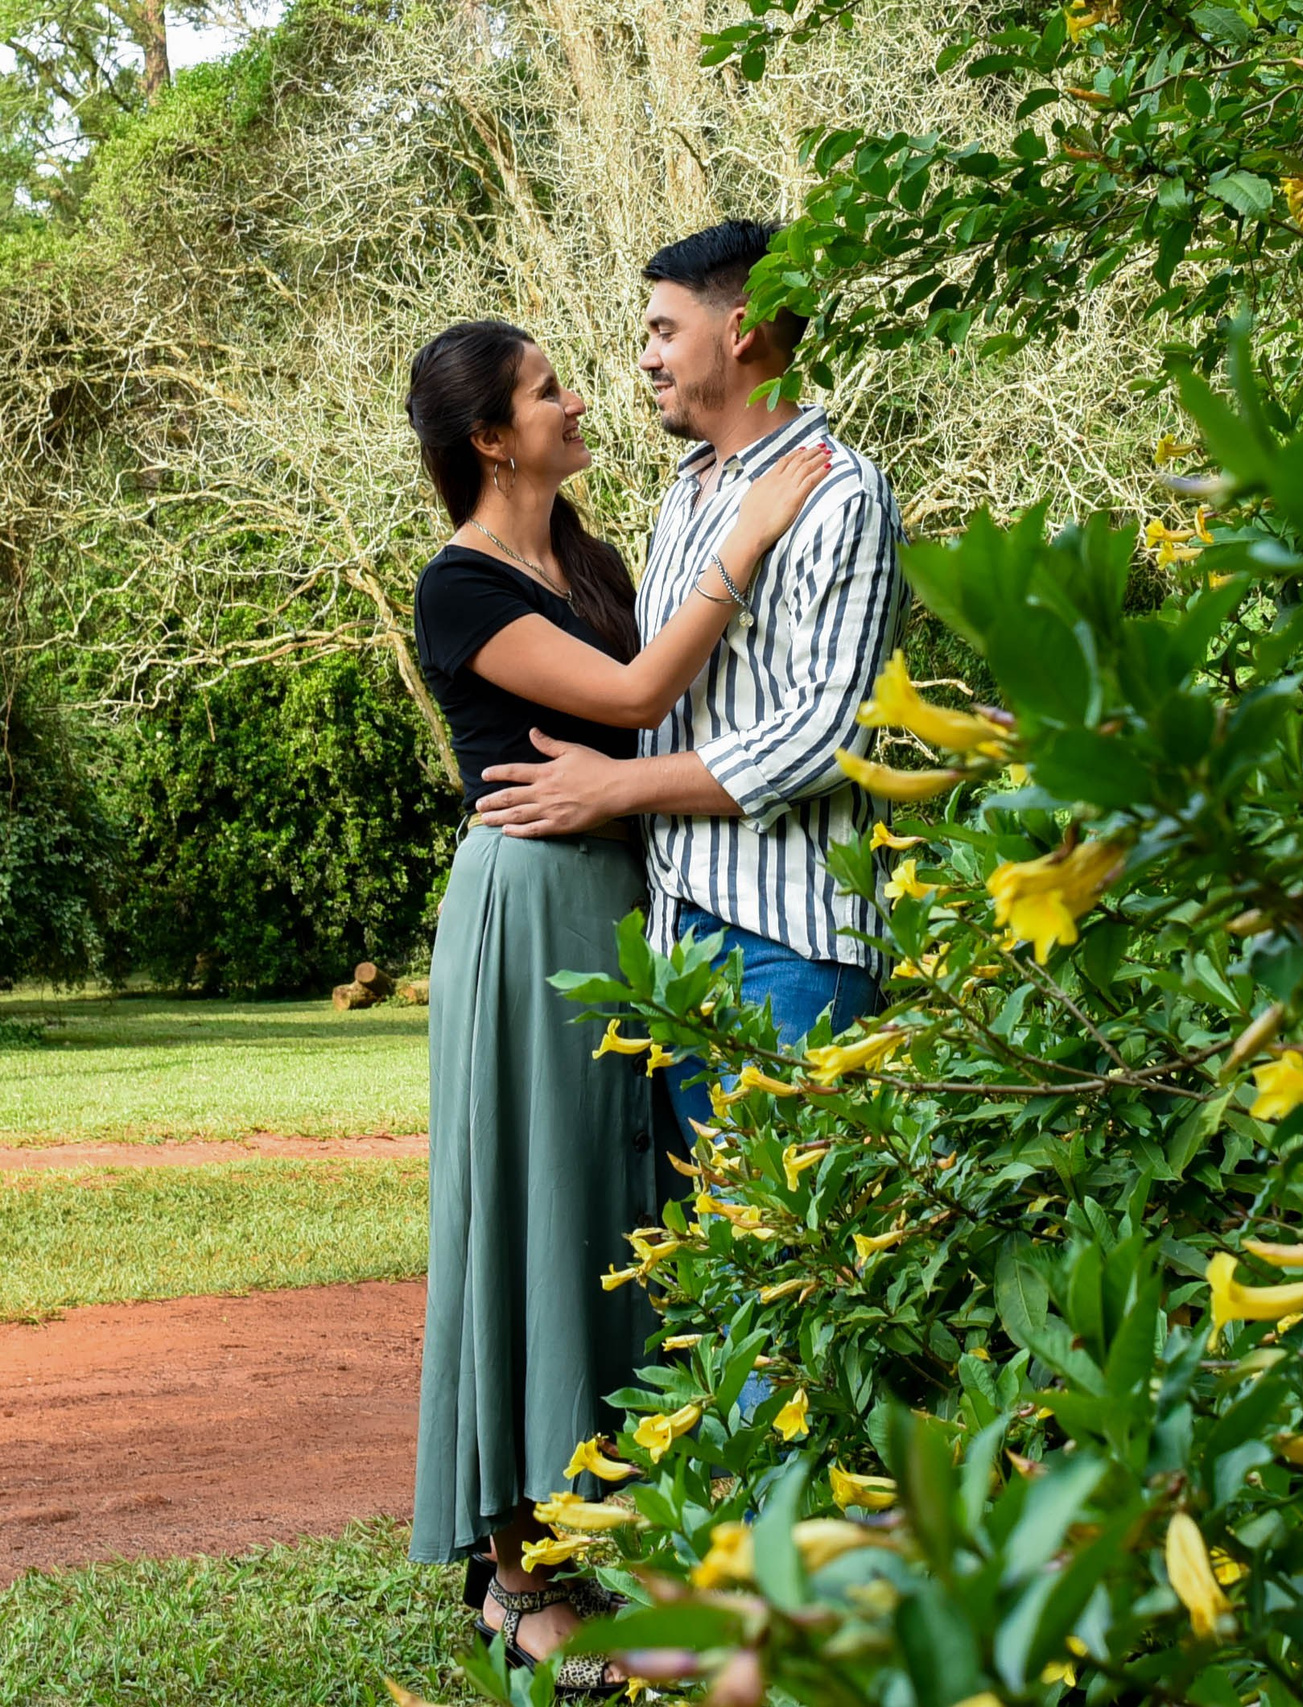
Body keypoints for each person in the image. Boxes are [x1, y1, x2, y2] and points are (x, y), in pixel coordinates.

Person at [401, 317, 830, 1690]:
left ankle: (609, 1533)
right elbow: (642, 691)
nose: (577, 400)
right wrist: (750, 535)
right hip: (528, 915)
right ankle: (517, 1579)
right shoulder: (460, 588)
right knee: (534, 1211)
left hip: (629, 902)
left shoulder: (588, 563)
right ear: (489, 438)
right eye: (547, 392)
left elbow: (661, 723)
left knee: (624, 1211)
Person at [473, 219, 910, 1130]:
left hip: (789, 948)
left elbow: (827, 735)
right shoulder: (685, 495)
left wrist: (614, 787)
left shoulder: (841, 493)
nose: (646, 357)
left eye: (664, 331)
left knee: (785, 1216)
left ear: (740, 331)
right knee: (703, 1223)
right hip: (676, 948)